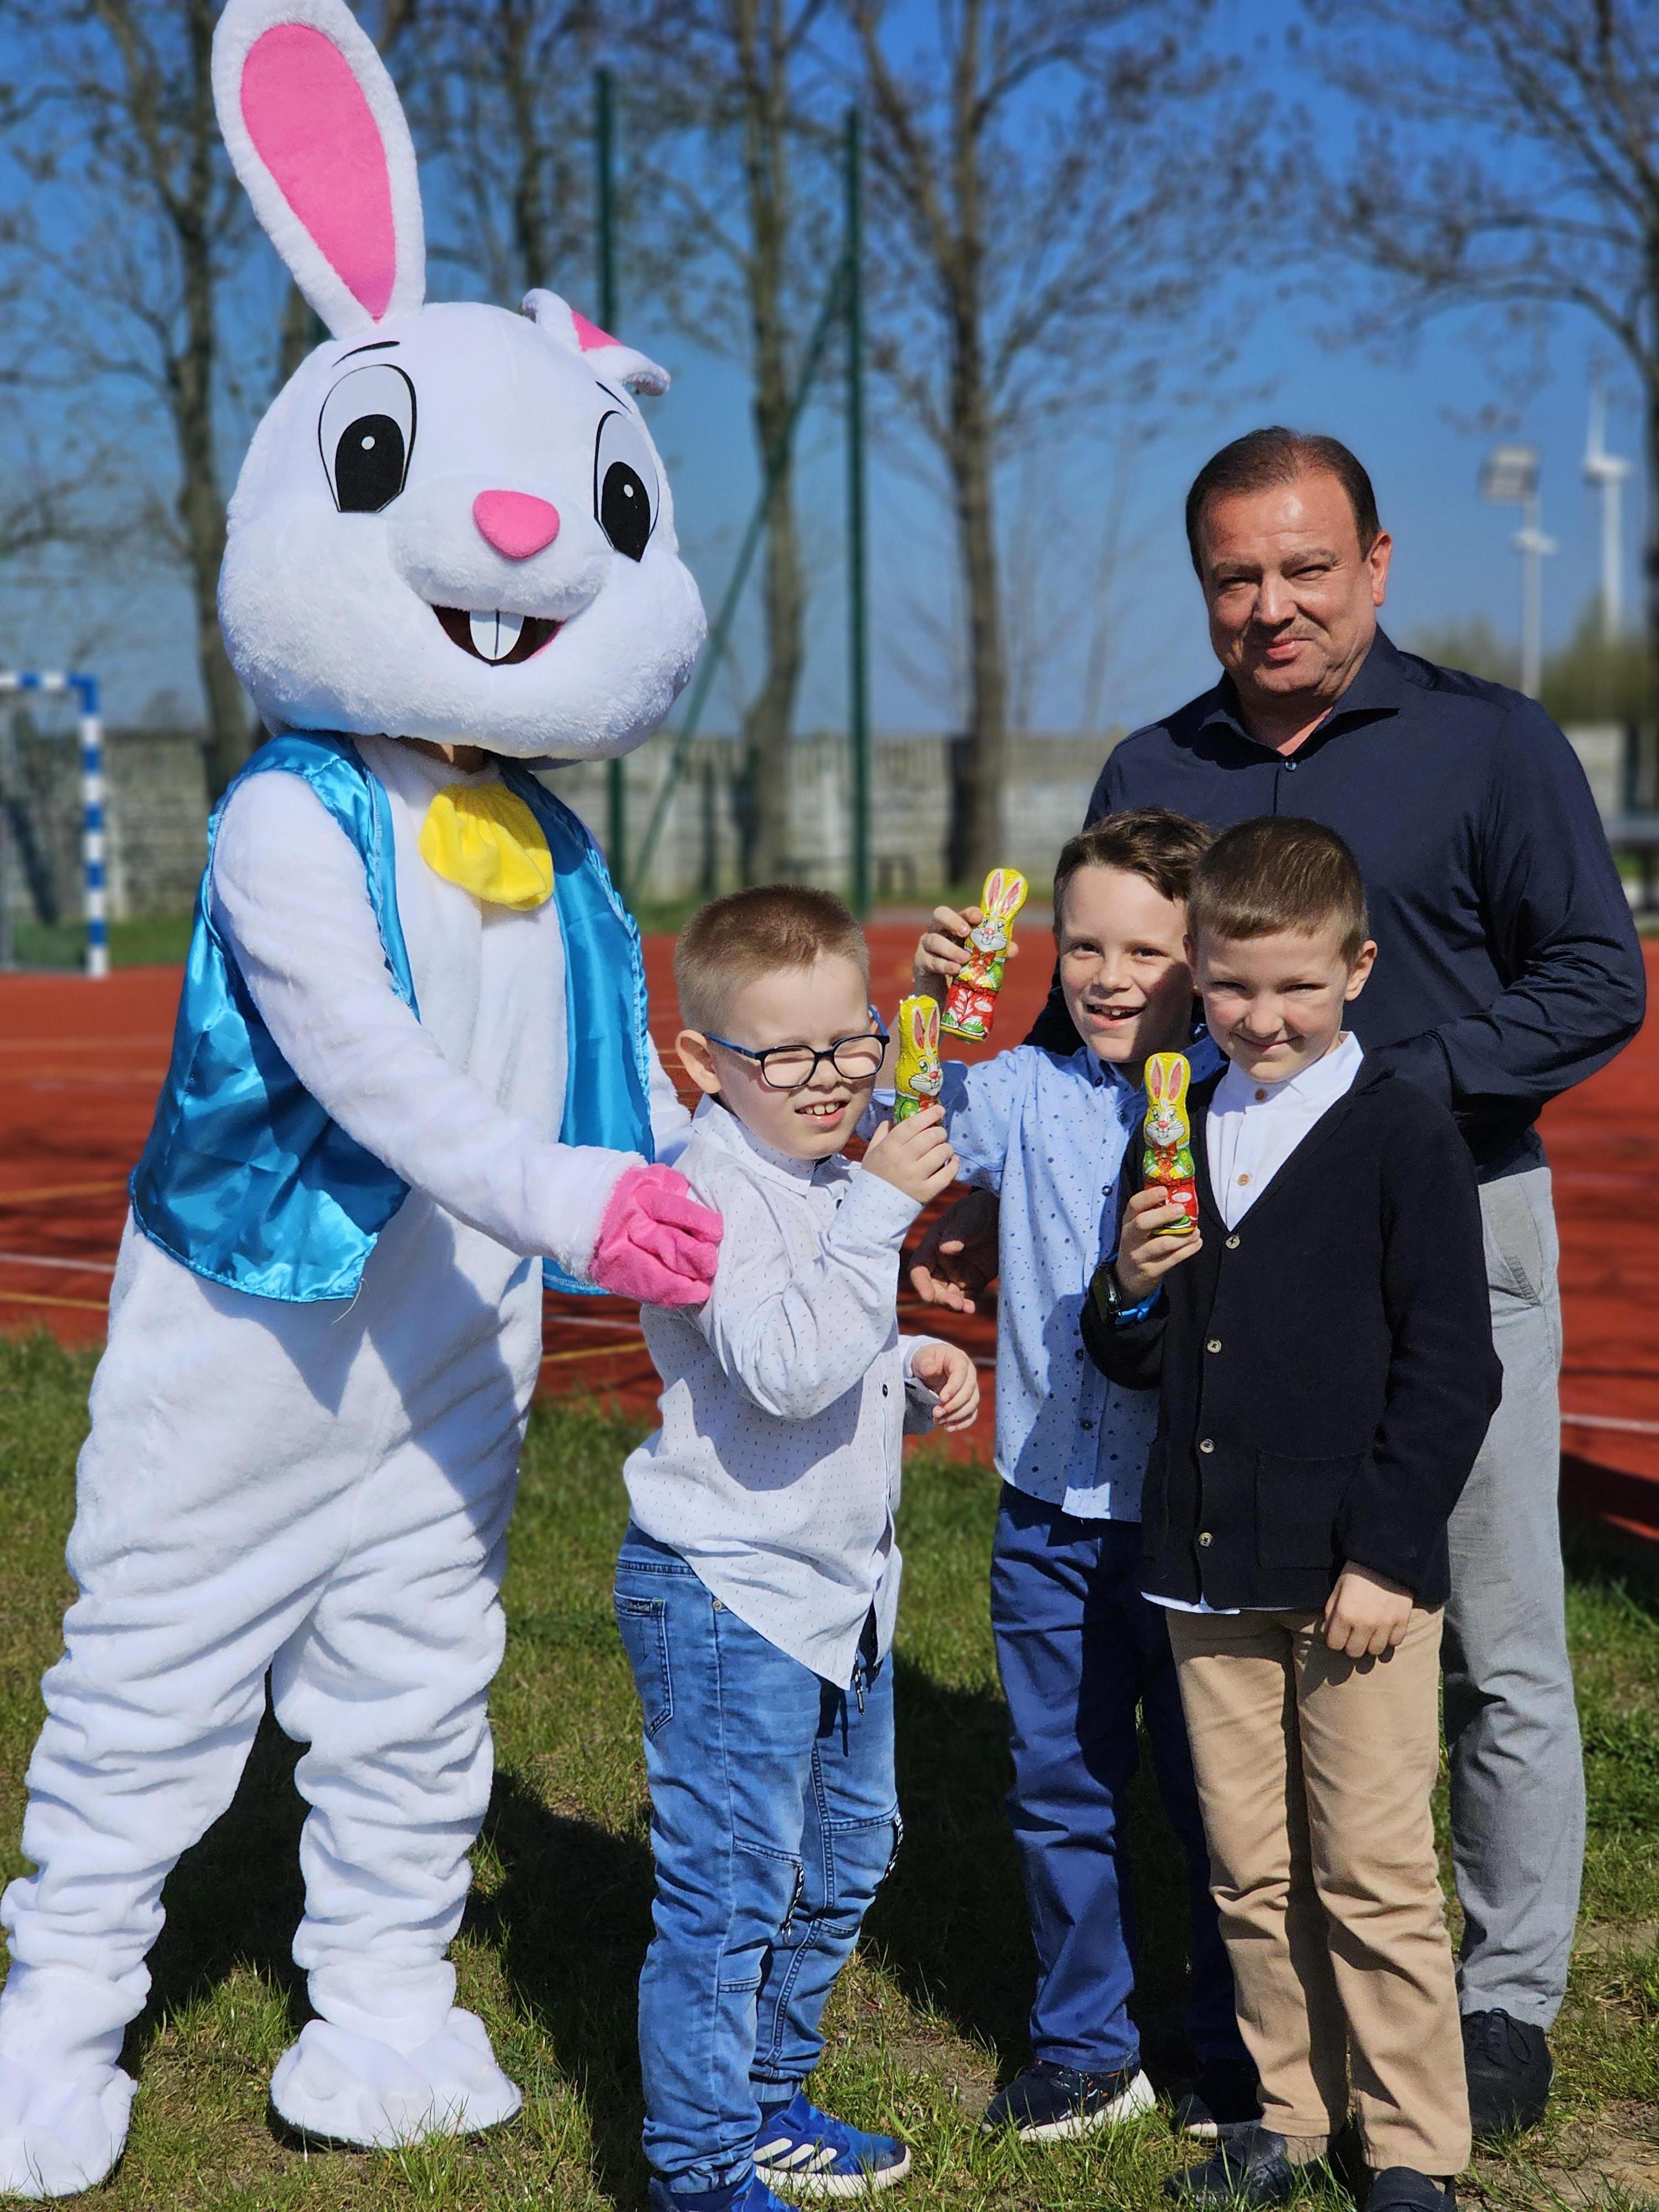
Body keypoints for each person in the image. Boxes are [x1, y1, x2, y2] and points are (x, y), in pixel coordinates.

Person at [914, 428, 1647, 2135]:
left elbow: (1595, 979)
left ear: (1376, 564)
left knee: (1492, 1637)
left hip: (1453, 1224)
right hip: (1217, 1256)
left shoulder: (1491, 743)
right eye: (1236, 576)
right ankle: (1265, 1999)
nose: (1273, 605)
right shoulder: (1153, 763)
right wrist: (989, 1168)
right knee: (1244, 1629)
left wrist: (1379, 1098)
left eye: (1308, 569)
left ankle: (1502, 2001)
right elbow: (1100, 1018)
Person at [1084, 815, 1502, 2212]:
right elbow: (1138, 1354)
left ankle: (1414, 2144)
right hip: (1207, 1569)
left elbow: (1453, 1369)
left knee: (1372, 1868)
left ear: (1358, 970)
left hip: (1351, 1579)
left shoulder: (1402, 1133)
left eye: (1297, 986)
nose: (1262, 1016)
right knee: (1249, 1870)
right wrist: (1127, 1287)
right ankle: (1290, 2115)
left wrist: (1386, 1554)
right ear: (1195, 974)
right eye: (1231, 984)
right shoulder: (1175, 1125)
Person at [615, 885, 981, 2212]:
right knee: (729, 1896)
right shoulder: (708, 1189)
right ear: (702, 1061)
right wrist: (878, 1215)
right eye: (787, 1055)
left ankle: (767, 2099)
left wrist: (904, 1361)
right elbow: (776, 1366)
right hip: (729, 1595)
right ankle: (699, 2167)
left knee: (843, 1859)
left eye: (852, 1042)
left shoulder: (823, 1169)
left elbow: (829, 1345)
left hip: (839, 1589)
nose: (831, 1079)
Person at [909, 812, 1256, 2143]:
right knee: (1061, 1782)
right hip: (1049, 1513)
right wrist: (926, 1006)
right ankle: (1085, 2046)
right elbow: (900, 1120)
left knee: (1217, 1792)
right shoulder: (1024, 1094)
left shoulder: (1243, 1104)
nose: (1111, 978)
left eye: (1147, 952)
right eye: (1085, 947)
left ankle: (1239, 2048)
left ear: (1203, 958)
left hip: (1194, 1517)